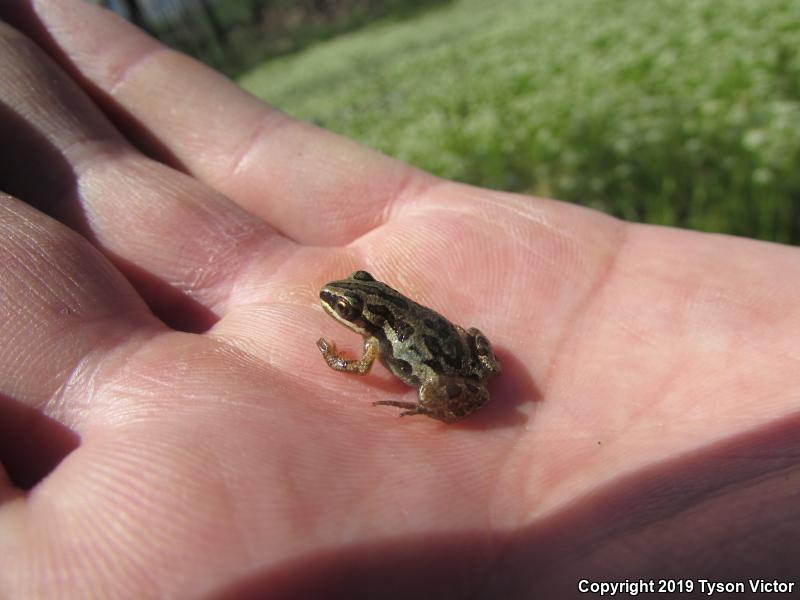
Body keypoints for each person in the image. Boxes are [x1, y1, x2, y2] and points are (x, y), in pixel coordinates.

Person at [0, 1, 797, 597]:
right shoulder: (390, 308)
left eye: (348, 305)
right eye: (348, 304)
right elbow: (450, 334)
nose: (342, 307)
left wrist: (343, 359)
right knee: (458, 360)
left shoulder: (377, 336)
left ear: (368, 309)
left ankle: (445, 402)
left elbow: (360, 365)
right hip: (461, 350)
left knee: (435, 386)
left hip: (451, 373)